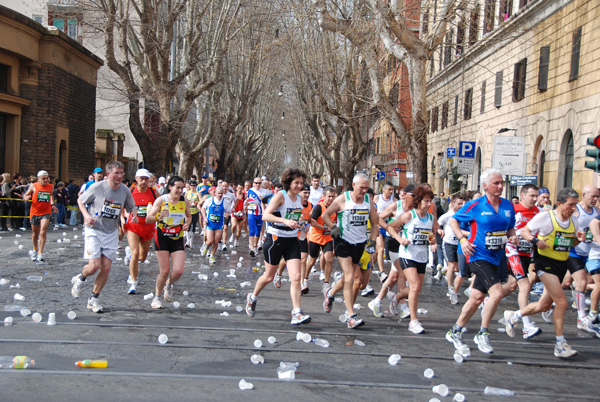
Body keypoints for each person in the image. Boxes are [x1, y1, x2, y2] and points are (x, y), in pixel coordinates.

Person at [504, 188, 585, 357]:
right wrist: (536, 240)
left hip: (561, 264)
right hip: (544, 264)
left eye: (575, 205)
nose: (573, 208)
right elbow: (525, 231)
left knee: (543, 305)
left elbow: (572, 244)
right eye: (571, 205)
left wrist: (578, 239)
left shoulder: (574, 221)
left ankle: (514, 315)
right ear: (561, 203)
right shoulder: (545, 217)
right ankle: (560, 344)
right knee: (562, 302)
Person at [445, 169, 517, 355]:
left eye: (501, 183)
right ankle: (483, 333)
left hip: (497, 257)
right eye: (496, 183)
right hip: (477, 255)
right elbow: (454, 220)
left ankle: (455, 330)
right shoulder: (475, 205)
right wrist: (462, 238)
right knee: (497, 293)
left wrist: (514, 237)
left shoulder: (508, 206)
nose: (500, 186)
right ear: (485, 185)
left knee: (476, 297)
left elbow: (510, 229)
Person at [245, 168, 312, 325]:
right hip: (275, 240)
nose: (299, 186)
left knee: (296, 277)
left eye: (301, 183)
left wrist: (302, 223)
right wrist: (285, 221)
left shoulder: (300, 199)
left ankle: (297, 312)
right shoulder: (280, 196)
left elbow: (296, 214)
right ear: (288, 182)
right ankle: (252, 297)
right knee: (269, 277)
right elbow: (266, 215)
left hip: (292, 240)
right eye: (296, 183)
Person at [71, 161, 137, 313]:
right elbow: (80, 201)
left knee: (106, 268)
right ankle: (81, 278)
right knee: (94, 266)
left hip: (111, 232)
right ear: (108, 174)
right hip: (94, 230)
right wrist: (86, 215)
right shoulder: (97, 187)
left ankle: (94, 298)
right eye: (117, 173)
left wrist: (133, 213)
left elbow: (131, 205)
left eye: (122, 173)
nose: (120, 176)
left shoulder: (125, 190)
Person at [322, 173, 379, 329]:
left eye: (366, 188)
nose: (364, 191)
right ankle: (351, 315)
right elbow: (325, 215)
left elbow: (375, 223)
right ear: (354, 185)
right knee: (350, 276)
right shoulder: (342, 199)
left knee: (350, 278)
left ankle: (331, 293)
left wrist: (373, 241)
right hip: (343, 242)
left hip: (360, 244)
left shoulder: (368, 201)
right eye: (361, 188)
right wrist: (332, 227)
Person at [386, 185, 436, 334]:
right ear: (419, 201)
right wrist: (400, 239)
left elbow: (430, 233)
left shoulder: (430, 217)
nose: (429, 204)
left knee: (417, 288)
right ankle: (414, 321)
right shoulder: (409, 215)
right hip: (408, 255)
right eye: (426, 201)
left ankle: (396, 297)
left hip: (421, 255)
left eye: (430, 201)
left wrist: (433, 241)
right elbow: (389, 227)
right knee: (414, 286)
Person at [503, 184, 542, 339]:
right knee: (525, 286)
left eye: (536, 196)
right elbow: (502, 228)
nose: (535, 199)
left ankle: (488, 300)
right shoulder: (513, 210)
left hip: (527, 253)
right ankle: (526, 325)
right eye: (532, 196)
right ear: (523, 195)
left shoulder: (538, 212)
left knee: (512, 286)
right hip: (512, 252)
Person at [145, 176, 191, 308]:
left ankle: (169, 283)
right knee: (164, 271)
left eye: (182, 188)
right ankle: (157, 297)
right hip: (162, 237)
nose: (180, 190)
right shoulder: (161, 200)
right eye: (177, 187)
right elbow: (148, 219)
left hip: (177, 237)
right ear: (170, 187)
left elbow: (189, 216)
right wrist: (159, 216)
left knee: (179, 271)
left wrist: (187, 224)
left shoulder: (184, 201)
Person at [566, 185, 599, 332]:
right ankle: (582, 318)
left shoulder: (596, 211)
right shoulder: (575, 211)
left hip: (587, 253)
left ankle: (547, 303)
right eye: (593, 196)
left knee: (566, 282)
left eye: (597, 197)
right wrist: (577, 236)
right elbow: (565, 227)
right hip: (573, 251)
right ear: (583, 194)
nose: (595, 199)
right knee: (581, 282)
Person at [122, 169, 158, 294]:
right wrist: (125, 217)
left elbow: (161, 206)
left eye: (146, 179)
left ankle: (130, 257)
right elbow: (122, 207)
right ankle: (133, 281)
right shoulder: (130, 191)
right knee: (135, 253)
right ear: (136, 179)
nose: (143, 182)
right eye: (141, 179)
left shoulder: (154, 193)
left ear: (149, 180)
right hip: (133, 226)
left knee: (142, 257)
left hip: (148, 227)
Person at [304, 186, 337, 292]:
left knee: (329, 259)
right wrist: (325, 227)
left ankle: (326, 283)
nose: (331, 199)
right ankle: (305, 279)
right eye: (329, 196)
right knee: (312, 260)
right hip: (316, 238)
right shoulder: (319, 207)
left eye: (333, 196)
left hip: (328, 238)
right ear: (324, 196)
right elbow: (312, 222)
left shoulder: (335, 207)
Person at [22, 170, 58, 263]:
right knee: (35, 233)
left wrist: (53, 205)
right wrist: (26, 197)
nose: (46, 180)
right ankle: (35, 249)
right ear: (38, 179)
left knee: (43, 231)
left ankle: (40, 253)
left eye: (47, 178)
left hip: (46, 212)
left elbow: (50, 196)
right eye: (43, 178)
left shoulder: (51, 186)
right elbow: (26, 194)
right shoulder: (34, 185)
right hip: (35, 212)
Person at [437, 193, 467, 305]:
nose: (460, 206)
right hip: (448, 243)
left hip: (459, 243)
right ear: (452, 203)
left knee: (457, 268)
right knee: (452, 265)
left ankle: (444, 271)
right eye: (458, 204)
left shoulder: (464, 215)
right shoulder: (447, 215)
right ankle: (450, 288)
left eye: (462, 204)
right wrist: (439, 230)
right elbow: (436, 224)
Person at [200, 186, 230, 264]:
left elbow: (228, 211)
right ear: (215, 193)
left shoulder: (225, 202)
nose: (220, 195)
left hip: (219, 224)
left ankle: (212, 256)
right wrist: (205, 218)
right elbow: (202, 208)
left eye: (221, 193)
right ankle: (206, 247)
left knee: (216, 242)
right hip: (210, 223)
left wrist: (227, 214)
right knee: (210, 241)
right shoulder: (210, 200)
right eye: (219, 193)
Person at [373, 182, 395, 283]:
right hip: (378, 226)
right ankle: (382, 272)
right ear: (384, 190)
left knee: (378, 251)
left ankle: (369, 266)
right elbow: (372, 209)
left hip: (388, 227)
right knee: (381, 249)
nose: (391, 192)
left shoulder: (394, 200)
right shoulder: (377, 198)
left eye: (392, 190)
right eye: (389, 189)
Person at [245, 177, 264, 257]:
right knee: (252, 231)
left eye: (259, 183)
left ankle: (255, 245)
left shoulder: (265, 191)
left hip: (260, 214)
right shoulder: (250, 190)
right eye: (256, 183)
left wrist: (262, 200)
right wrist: (246, 203)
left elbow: (267, 203)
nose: (257, 185)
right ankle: (252, 248)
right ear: (253, 183)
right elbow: (247, 200)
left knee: (258, 232)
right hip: (251, 213)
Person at [185, 180, 201, 248]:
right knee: (187, 225)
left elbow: (201, 201)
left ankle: (192, 240)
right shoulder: (187, 193)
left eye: (194, 186)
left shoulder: (198, 193)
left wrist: (196, 202)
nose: (193, 187)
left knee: (193, 226)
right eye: (192, 185)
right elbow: (184, 200)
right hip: (188, 211)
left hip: (195, 211)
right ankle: (188, 241)